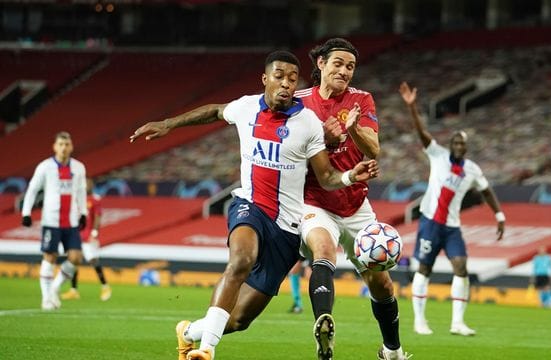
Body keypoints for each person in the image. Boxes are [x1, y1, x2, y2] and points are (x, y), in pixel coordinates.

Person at [129, 50, 379, 360]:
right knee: (241, 260)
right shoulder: (246, 108)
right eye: (279, 76)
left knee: (239, 320)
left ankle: (190, 332)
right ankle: (206, 351)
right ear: (265, 79)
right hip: (250, 207)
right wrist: (169, 123)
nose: (286, 84)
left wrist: (350, 176)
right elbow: (214, 111)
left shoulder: (309, 124)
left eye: (291, 79)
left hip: (286, 228)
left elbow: (326, 177)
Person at [295, 38, 410, 360]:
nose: (344, 71)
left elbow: (373, 148)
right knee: (323, 249)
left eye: (350, 66)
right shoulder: (299, 103)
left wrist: (355, 126)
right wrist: (324, 139)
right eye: (338, 64)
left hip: (356, 205)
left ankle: (392, 350)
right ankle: (323, 321)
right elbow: (288, 156)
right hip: (314, 200)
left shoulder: (361, 99)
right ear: (321, 64)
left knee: (382, 285)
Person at [398, 81, 505, 336]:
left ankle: (457, 323)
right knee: (424, 269)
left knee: (461, 267)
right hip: (430, 222)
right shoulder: (437, 155)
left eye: (461, 143)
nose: (458, 145)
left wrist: (499, 215)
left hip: (452, 227)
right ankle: (419, 321)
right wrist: (412, 108)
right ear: (451, 143)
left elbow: (487, 190)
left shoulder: (471, 169)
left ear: (465, 148)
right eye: (455, 141)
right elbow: (421, 133)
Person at [21, 131, 88, 310]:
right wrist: (26, 212)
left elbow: (81, 192)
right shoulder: (45, 167)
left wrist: (84, 213)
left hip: (71, 220)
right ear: (55, 147)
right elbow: (32, 189)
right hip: (51, 220)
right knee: (50, 257)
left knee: (76, 257)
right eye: (60, 144)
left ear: (71, 146)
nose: (64, 148)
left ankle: (53, 290)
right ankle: (46, 298)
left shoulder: (79, 167)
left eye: (67, 144)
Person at [61, 178, 112, 301]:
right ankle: (74, 290)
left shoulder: (95, 199)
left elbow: (97, 216)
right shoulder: (77, 199)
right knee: (73, 262)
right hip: (76, 236)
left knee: (93, 260)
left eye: (88, 184)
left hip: (88, 236)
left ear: (92, 186)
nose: (86, 187)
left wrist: (94, 232)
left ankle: (105, 287)